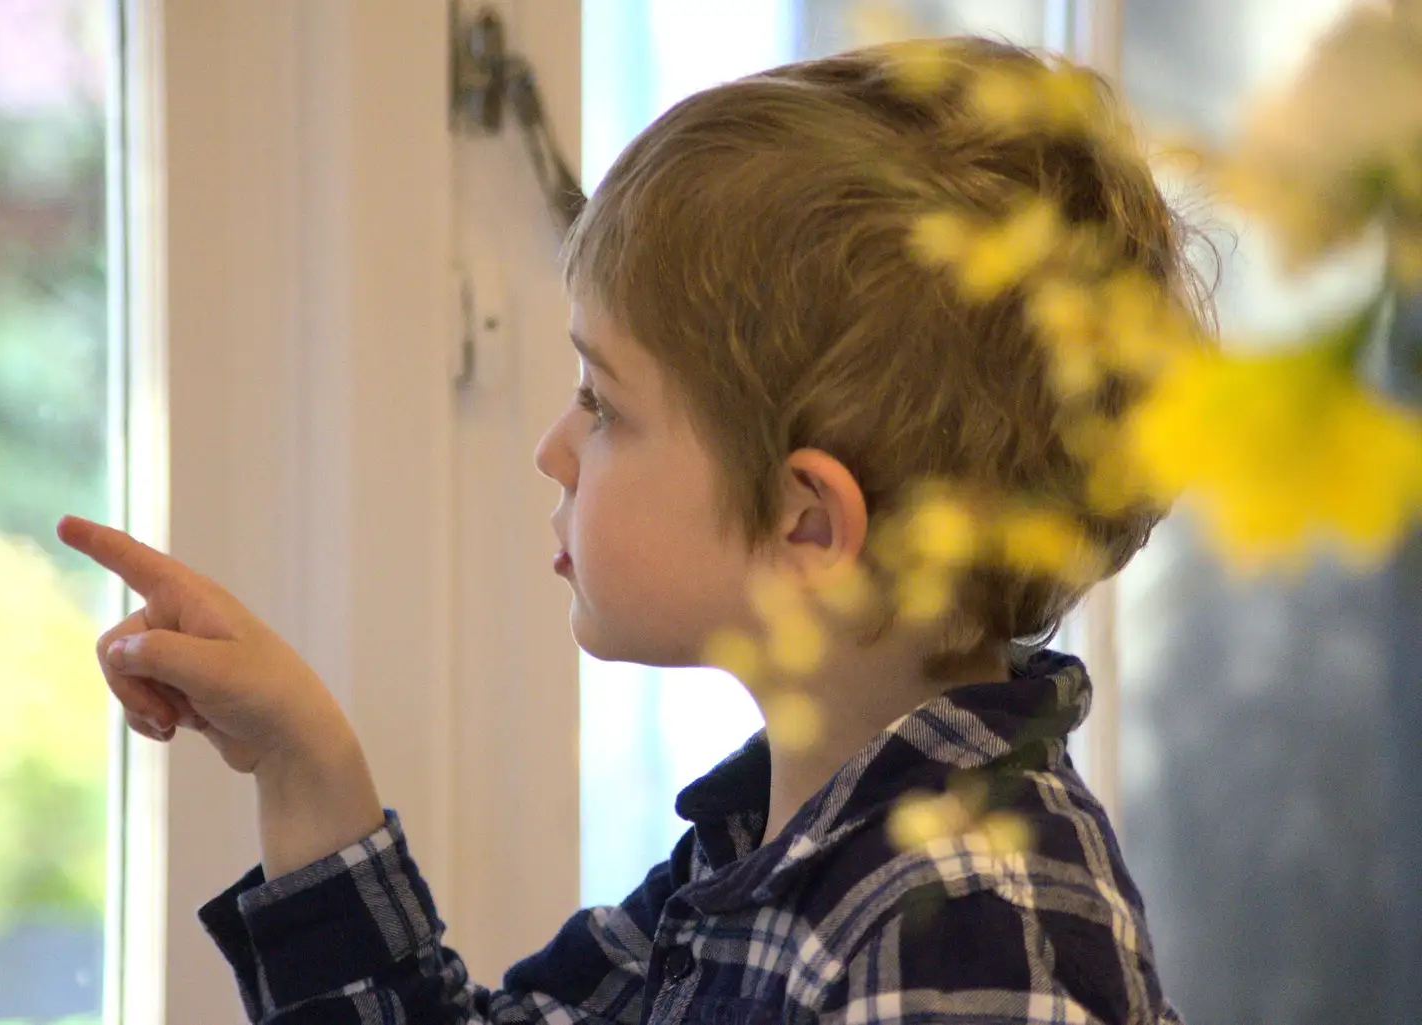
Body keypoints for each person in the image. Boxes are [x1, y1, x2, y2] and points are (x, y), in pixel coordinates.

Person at [60, 36, 1207, 1025]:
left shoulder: (972, 921)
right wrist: (305, 762)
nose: (553, 447)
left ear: (805, 525)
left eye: (603, 403)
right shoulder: (766, 847)